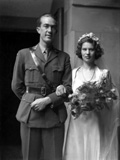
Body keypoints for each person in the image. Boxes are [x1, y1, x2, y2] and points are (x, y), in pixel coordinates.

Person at [11, 13, 72, 160]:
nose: (49, 30)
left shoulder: (64, 57)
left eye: (53, 27)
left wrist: (47, 100)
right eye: (46, 26)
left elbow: (68, 87)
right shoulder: (24, 54)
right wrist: (30, 100)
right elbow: (16, 85)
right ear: (39, 29)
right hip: (31, 114)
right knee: (29, 156)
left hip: (55, 114)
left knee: (54, 157)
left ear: (56, 31)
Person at [56, 32, 119, 160]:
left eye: (91, 49)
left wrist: (97, 102)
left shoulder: (103, 74)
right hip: (77, 122)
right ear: (80, 51)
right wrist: (75, 102)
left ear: (96, 52)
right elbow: (68, 98)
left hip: (95, 121)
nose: (87, 53)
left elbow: (111, 99)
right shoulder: (73, 73)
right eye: (84, 49)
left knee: (94, 150)